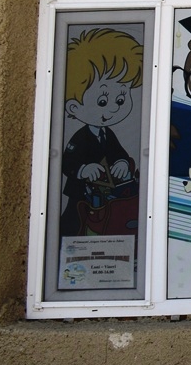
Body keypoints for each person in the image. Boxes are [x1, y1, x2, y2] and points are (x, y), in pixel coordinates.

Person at [58, 27, 143, 238]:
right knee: (75, 220)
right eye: (103, 101)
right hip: (80, 193)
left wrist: (122, 162)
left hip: (104, 193)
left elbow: (118, 152)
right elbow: (67, 162)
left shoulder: (108, 133)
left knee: (105, 222)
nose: (114, 108)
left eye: (121, 99)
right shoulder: (80, 137)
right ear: (74, 107)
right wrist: (83, 170)